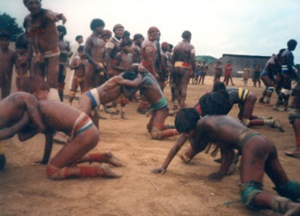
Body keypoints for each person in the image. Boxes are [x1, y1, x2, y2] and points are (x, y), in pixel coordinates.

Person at [155, 108, 300, 215]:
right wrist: (164, 166)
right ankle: (292, 198)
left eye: (187, 132)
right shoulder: (210, 119)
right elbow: (227, 150)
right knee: (285, 187)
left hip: (252, 146)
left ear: (192, 125)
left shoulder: (203, 126)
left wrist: (221, 173)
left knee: (250, 194)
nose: (186, 135)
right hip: (264, 142)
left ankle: (287, 206)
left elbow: (221, 151)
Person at [1, 98, 123, 180]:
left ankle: (99, 170)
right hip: (89, 131)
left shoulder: (33, 113)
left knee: (52, 171)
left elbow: (20, 135)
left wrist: (17, 125)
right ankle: (102, 156)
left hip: (85, 133)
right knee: (65, 161)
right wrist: (44, 160)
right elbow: (48, 139)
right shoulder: (43, 109)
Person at [22, 0, 67, 101]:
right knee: (36, 84)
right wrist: (27, 58)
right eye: (31, 3)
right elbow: (31, 39)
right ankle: (37, 109)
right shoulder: (27, 19)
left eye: (37, 2)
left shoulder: (46, 14)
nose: (35, 6)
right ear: (26, 5)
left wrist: (59, 16)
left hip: (52, 53)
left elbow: (52, 15)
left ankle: (53, 109)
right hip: (36, 54)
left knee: (52, 84)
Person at [0, 89, 48, 169]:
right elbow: (11, 131)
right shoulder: (28, 98)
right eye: (45, 91)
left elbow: (22, 137)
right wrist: (26, 120)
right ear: (36, 91)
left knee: (1, 162)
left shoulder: (23, 104)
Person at [213, 82, 284, 131]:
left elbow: (227, 107)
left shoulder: (230, 95)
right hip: (244, 98)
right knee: (241, 116)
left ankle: (271, 122)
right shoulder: (223, 90)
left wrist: (219, 118)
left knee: (245, 122)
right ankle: (267, 118)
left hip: (249, 98)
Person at [279, 39, 300, 159]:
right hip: (291, 77)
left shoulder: (285, 53)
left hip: (290, 78)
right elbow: (289, 66)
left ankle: (298, 148)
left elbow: (286, 67)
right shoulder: (289, 53)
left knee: (294, 110)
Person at [137, 27, 160, 114]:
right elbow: (149, 59)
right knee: (148, 86)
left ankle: (145, 106)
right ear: (150, 34)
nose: (157, 36)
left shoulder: (152, 43)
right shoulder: (148, 44)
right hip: (146, 67)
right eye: (155, 34)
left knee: (148, 86)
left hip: (148, 67)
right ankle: (142, 107)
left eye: (158, 34)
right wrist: (154, 72)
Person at [172, 30, 196, 109]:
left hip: (176, 67)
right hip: (185, 67)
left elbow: (173, 58)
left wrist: (173, 68)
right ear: (190, 37)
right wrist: (194, 69)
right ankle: (182, 104)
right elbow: (192, 59)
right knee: (184, 86)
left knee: (177, 86)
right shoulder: (191, 47)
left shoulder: (176, 46)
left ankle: (175, 104)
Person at [112, 40, 133, 119]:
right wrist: (125, 69)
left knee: (124, 95)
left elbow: (130, 66)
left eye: (130, 46)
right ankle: (113, 112)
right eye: (128, 46)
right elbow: (114, 66)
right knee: (116, 95)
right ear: (123, 47)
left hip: (127, 77)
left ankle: (123, 113)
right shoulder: (119, 54)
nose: (130, 48)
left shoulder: (130, 56)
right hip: (119, 76)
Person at [83, 18, 106, 92]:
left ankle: (96, 103)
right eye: (102, 27)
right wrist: (95, 63)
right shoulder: (90, 39)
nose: (103, 29)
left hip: (100, 65)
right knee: (88, 86)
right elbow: (85, 53)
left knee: (98, 87)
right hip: (91, 65)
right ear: (97, 28)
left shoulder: (100, 40)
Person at [57, 25, 73, 101]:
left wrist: (69, 53)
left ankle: (60, 98)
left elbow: (70, 52)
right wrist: (63, 52)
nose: (58, 33)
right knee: (53, 81)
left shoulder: (66, 42)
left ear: (63, 33)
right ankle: (54, 98)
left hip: (63, 65)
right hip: (54, 64)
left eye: (60, 31)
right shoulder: (54, 42)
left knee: (61, 82)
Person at [0, 31, 17, 99]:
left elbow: (18, 66)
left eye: (6, 40)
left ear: (9, 41)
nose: (4, 42)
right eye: (2, 40)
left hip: (7, 78)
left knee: (6, 96)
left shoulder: (13, 54)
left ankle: (3, 107)